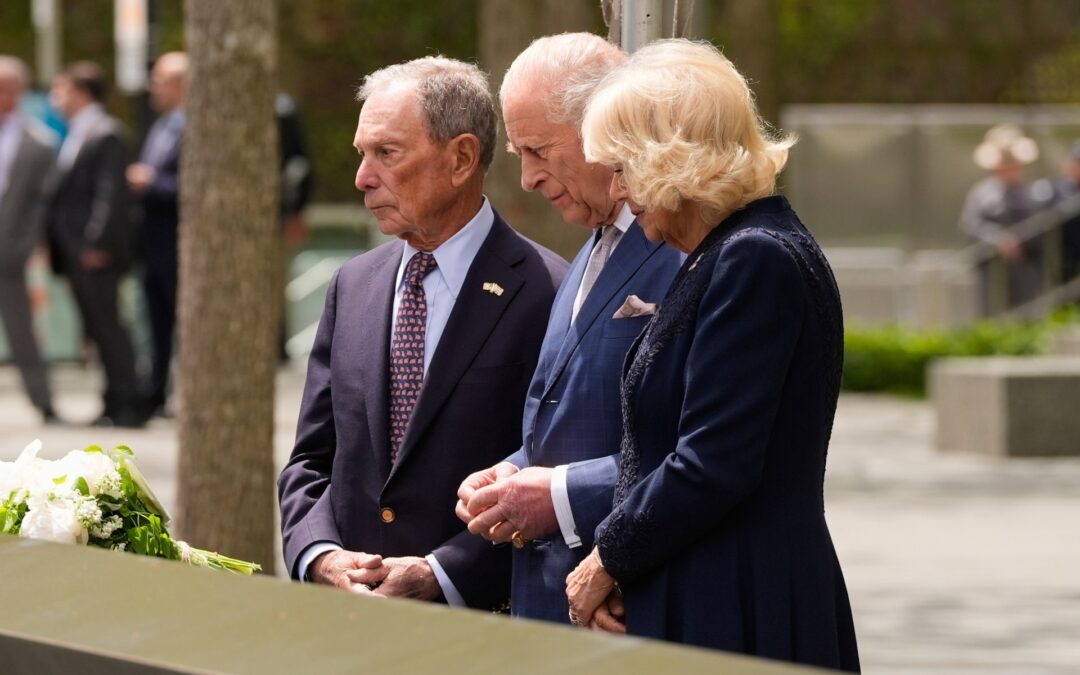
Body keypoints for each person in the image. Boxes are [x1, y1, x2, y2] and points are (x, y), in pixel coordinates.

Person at [564, 39, 860, 672]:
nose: (616, 189)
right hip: (719, 591)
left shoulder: (754, 257)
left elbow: (713, 460)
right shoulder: (732, 251)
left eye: (623, 167)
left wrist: (607, 556)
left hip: (737, 603)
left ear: (672, 156)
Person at [277, 56, 567, 610]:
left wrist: (445, 573)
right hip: (353, 626)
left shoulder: (548, 291)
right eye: (362, 154)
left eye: (386, 154)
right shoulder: (352, 286)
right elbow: (312, 460)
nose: (363, 177)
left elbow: (555, 475)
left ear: (461, 158)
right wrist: (319, 554)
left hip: (485, 630)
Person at [453, 32, 683, 624]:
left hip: (632, 604)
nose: (526, 178)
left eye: (537, 150)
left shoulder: (687, 248)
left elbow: (702, 450)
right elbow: (566, 415)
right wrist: (513, 471)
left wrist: (556, 497)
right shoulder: (588, 249)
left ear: (603, 126)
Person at [46, 62, 144, 428]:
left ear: (82, 92)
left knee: (109, 327)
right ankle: (112, 401)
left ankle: (127, 403)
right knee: (97, 329)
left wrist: (97, 242)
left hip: (94, 253)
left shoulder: (107, 133)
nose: (56, 98)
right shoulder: (77, 132)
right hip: (76, 252)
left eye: (61, 90)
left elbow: (110, 194)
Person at [127, 52, 188, 418]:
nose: (154, 87)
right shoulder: (161, 125)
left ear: (181, 85)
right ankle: (154, 394)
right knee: (156, 322)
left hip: (178, 244)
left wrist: (152, 182)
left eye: (161, 80)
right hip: (153, 243)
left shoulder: (192, 126)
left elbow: (198, 187)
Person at [0, 56, 60, 423]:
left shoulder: (40, 142)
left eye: (7, 88)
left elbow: (42, 203)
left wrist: (26, 245)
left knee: (22, 330)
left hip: (10, 252)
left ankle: (44, 401)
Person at [959, 124, 1044, 313]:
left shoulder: (1031, 192)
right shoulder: (982, 193)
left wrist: (1020, 242)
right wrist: (997, 240)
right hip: (991, 267)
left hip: (1024, 264)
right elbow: (971, 224)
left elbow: (1040, 225)